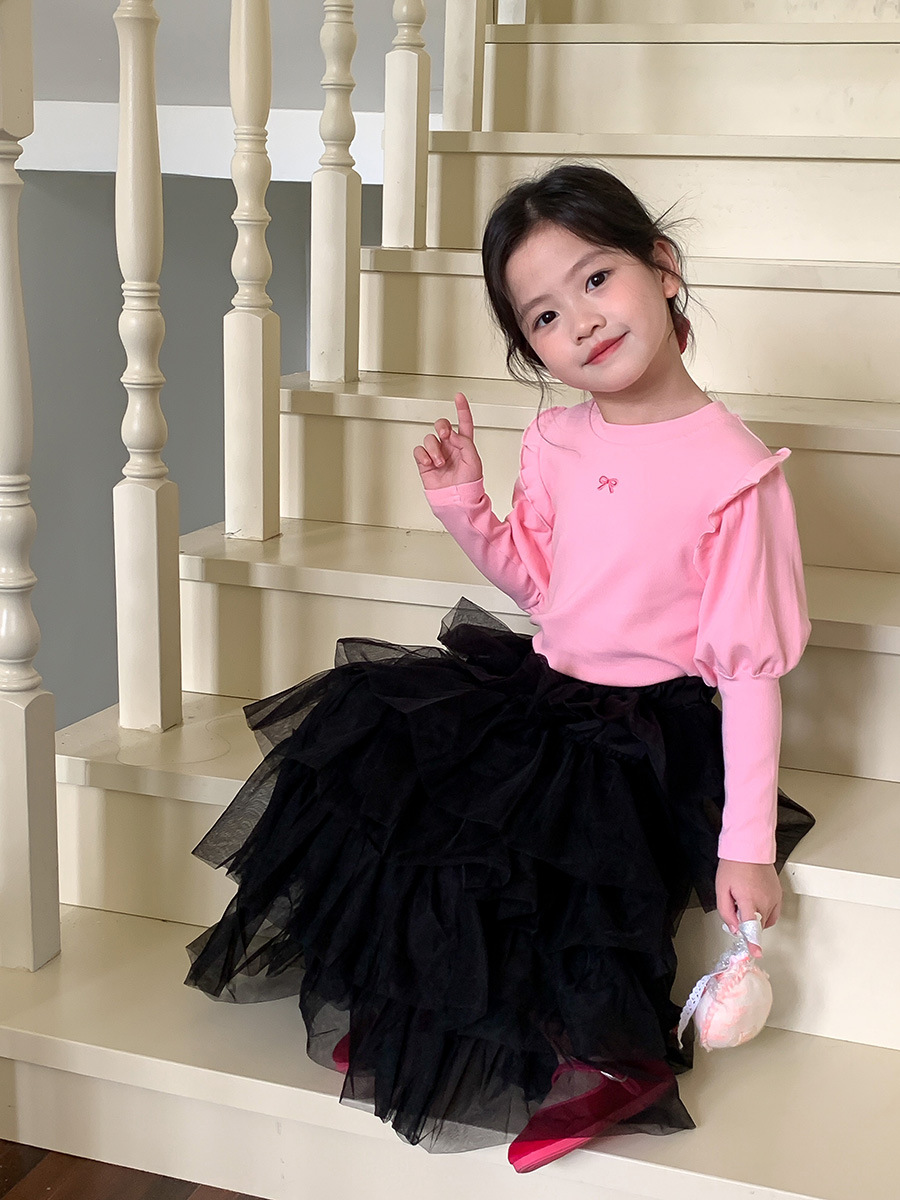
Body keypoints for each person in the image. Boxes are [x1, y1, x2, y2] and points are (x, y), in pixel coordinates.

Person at [184, 163, 815, 1172]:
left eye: (598, 279)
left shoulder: (735, 474)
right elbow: (540, 586)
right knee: (409, 783)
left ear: (663, 267)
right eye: (546, 316)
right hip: (547, 685)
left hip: (646, 723)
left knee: (564, 870)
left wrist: (744, 844)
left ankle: (614, 1064)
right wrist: (466, 503)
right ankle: (418, 1019)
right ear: (533, 348)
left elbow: (749, 671)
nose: (584, 321)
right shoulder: (559, 438)